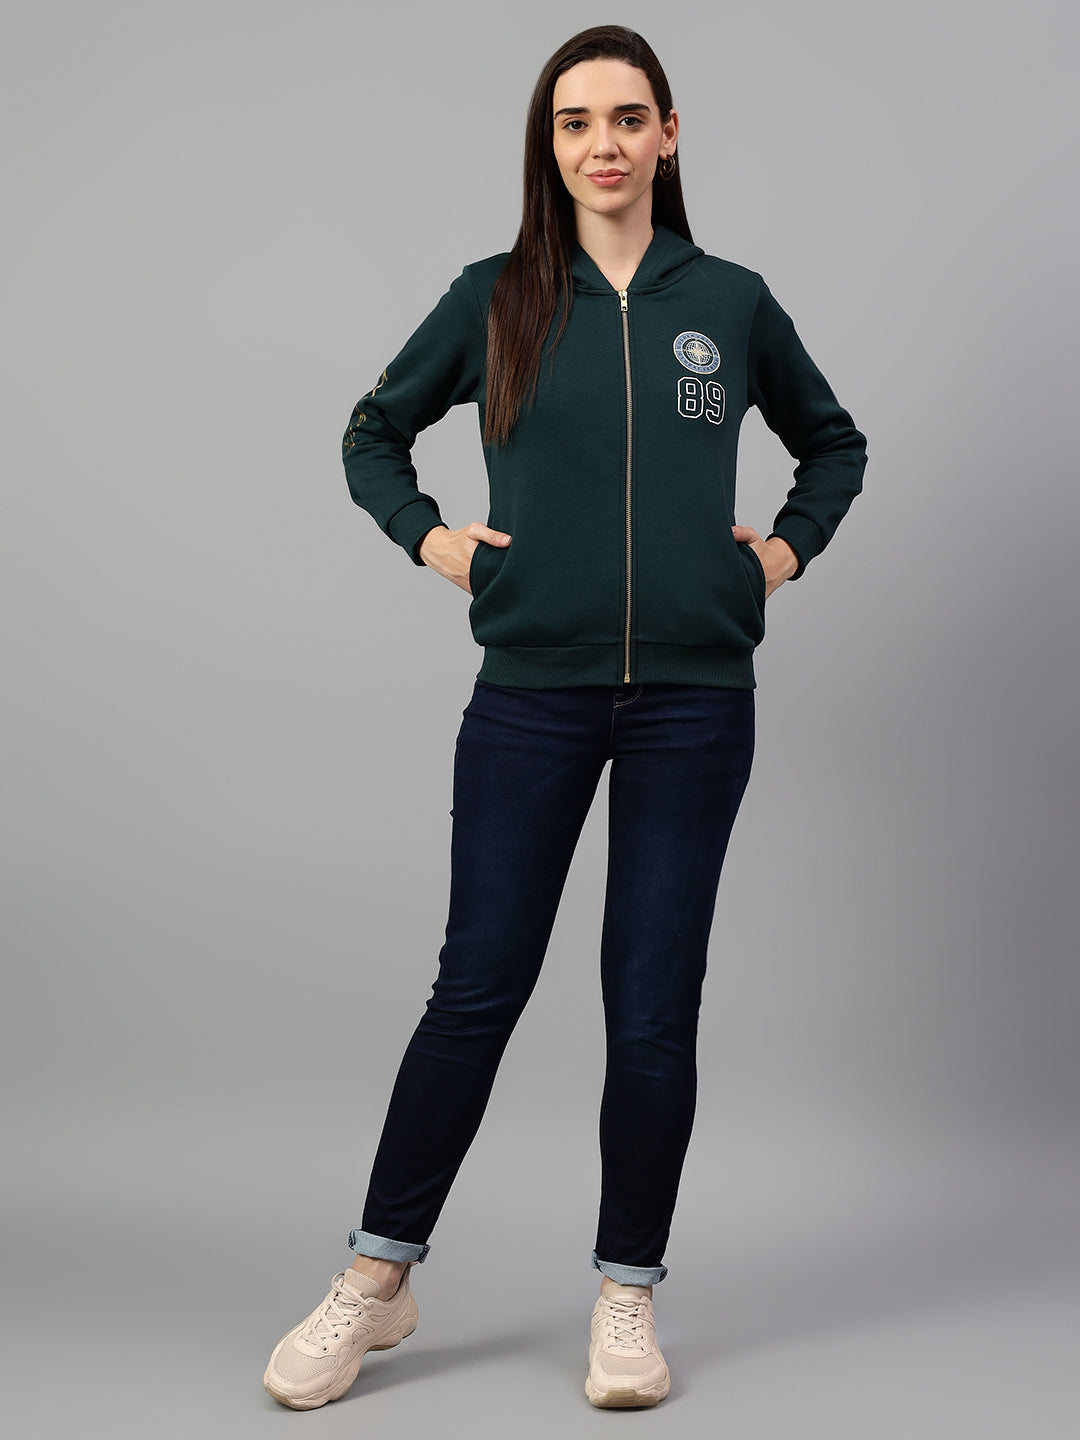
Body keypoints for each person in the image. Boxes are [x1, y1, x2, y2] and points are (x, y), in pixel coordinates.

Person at [263, 24, 867, 1412]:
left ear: (669, 135)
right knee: (477, 986)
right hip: (531, 694)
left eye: (628, 118)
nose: (604, 143)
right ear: (550, 145)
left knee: (652, 1005)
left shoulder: (731, 302)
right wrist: (434, 541)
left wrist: (777, 555)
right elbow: (373, 432)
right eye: (576, 121)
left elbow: (833, 442)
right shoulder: (496, 298)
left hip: (695, 705)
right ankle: (378, 1275)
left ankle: (626, 1293)